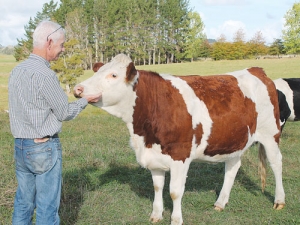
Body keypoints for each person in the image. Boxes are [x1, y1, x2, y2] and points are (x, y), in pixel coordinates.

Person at [8, 20, 101, 225]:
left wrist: (73, 94)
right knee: (47, 208)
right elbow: (64, 113)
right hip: (43, 148)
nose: (63, 49)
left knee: (23, 203)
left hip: (20, 147)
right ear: (49, 42)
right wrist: (86, 99)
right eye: (61, 45)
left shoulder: (17, 71)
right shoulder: (46, 74)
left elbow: (35, 103)